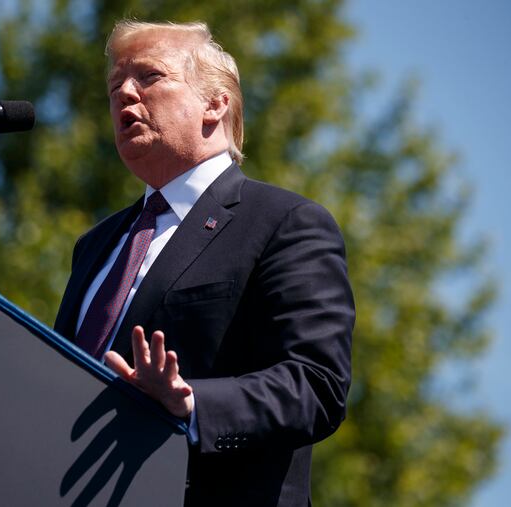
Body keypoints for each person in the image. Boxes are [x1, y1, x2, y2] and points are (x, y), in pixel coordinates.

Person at [54, 19, 354, 506]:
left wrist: (189, 401)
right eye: (115, 86)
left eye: (149, 77)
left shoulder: (283, 223)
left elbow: (315, 385)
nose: (125, 94)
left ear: (216, 103)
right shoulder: (96, 245)